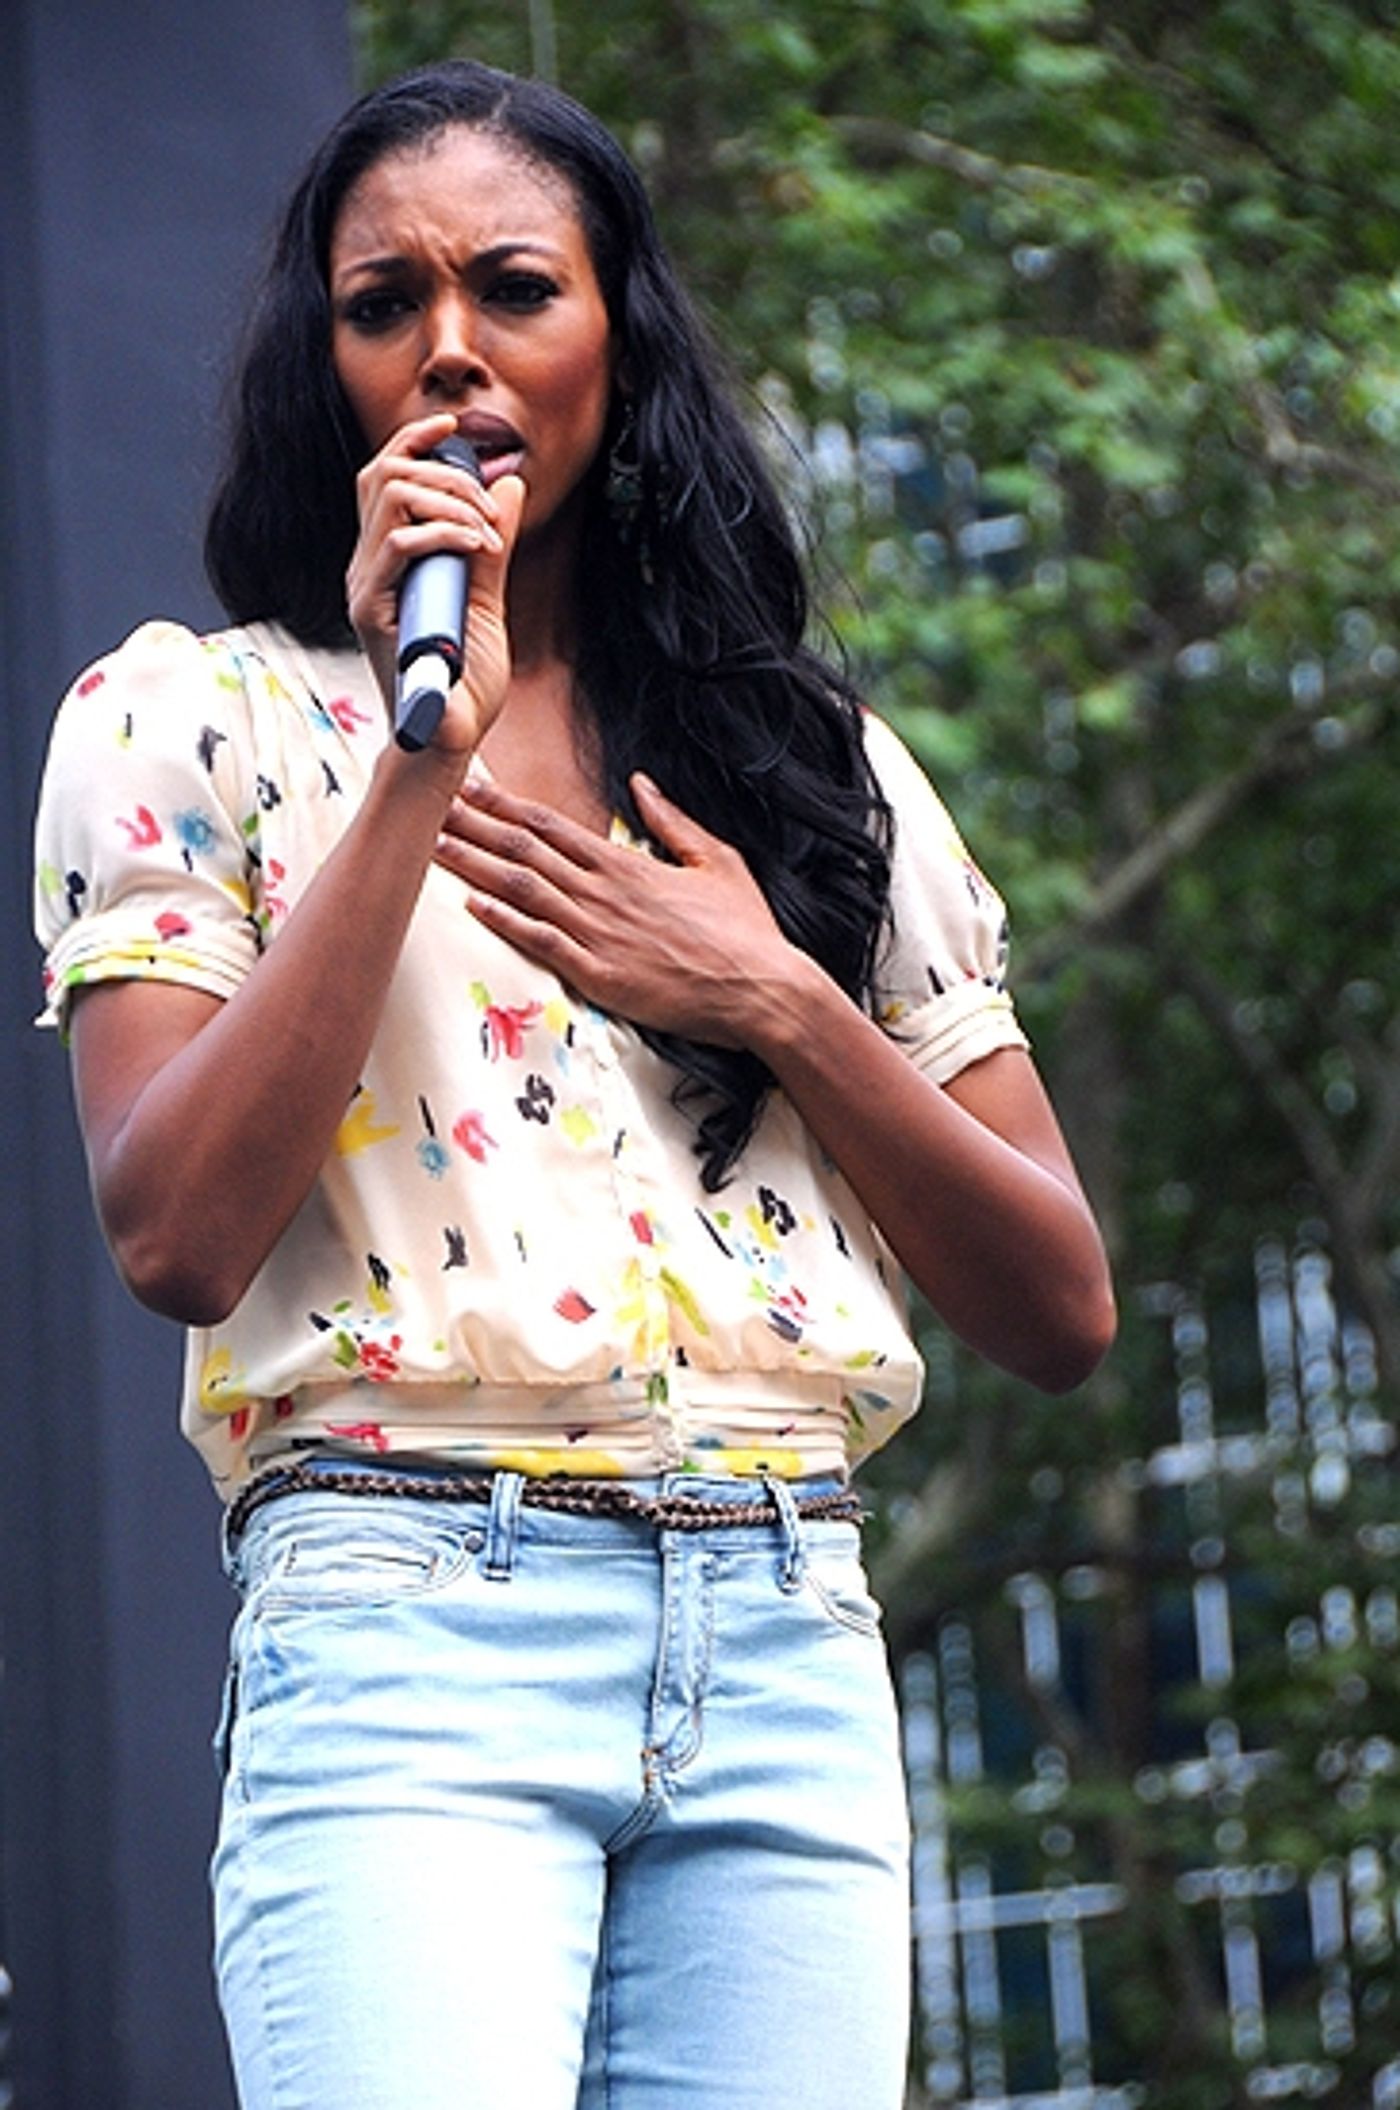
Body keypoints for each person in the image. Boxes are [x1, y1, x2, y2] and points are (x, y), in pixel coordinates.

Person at [32, 57, 1115, 2110]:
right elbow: (175, 1228)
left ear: (614, 337)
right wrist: (414, 765)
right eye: (383, 301)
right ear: (323, 364)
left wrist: (781, 1000)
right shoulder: (194, 718)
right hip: (410, 1626)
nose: (447, 343)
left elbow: (1057, 1301)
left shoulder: (811, 771)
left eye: (510, 285)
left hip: (782, 1622)